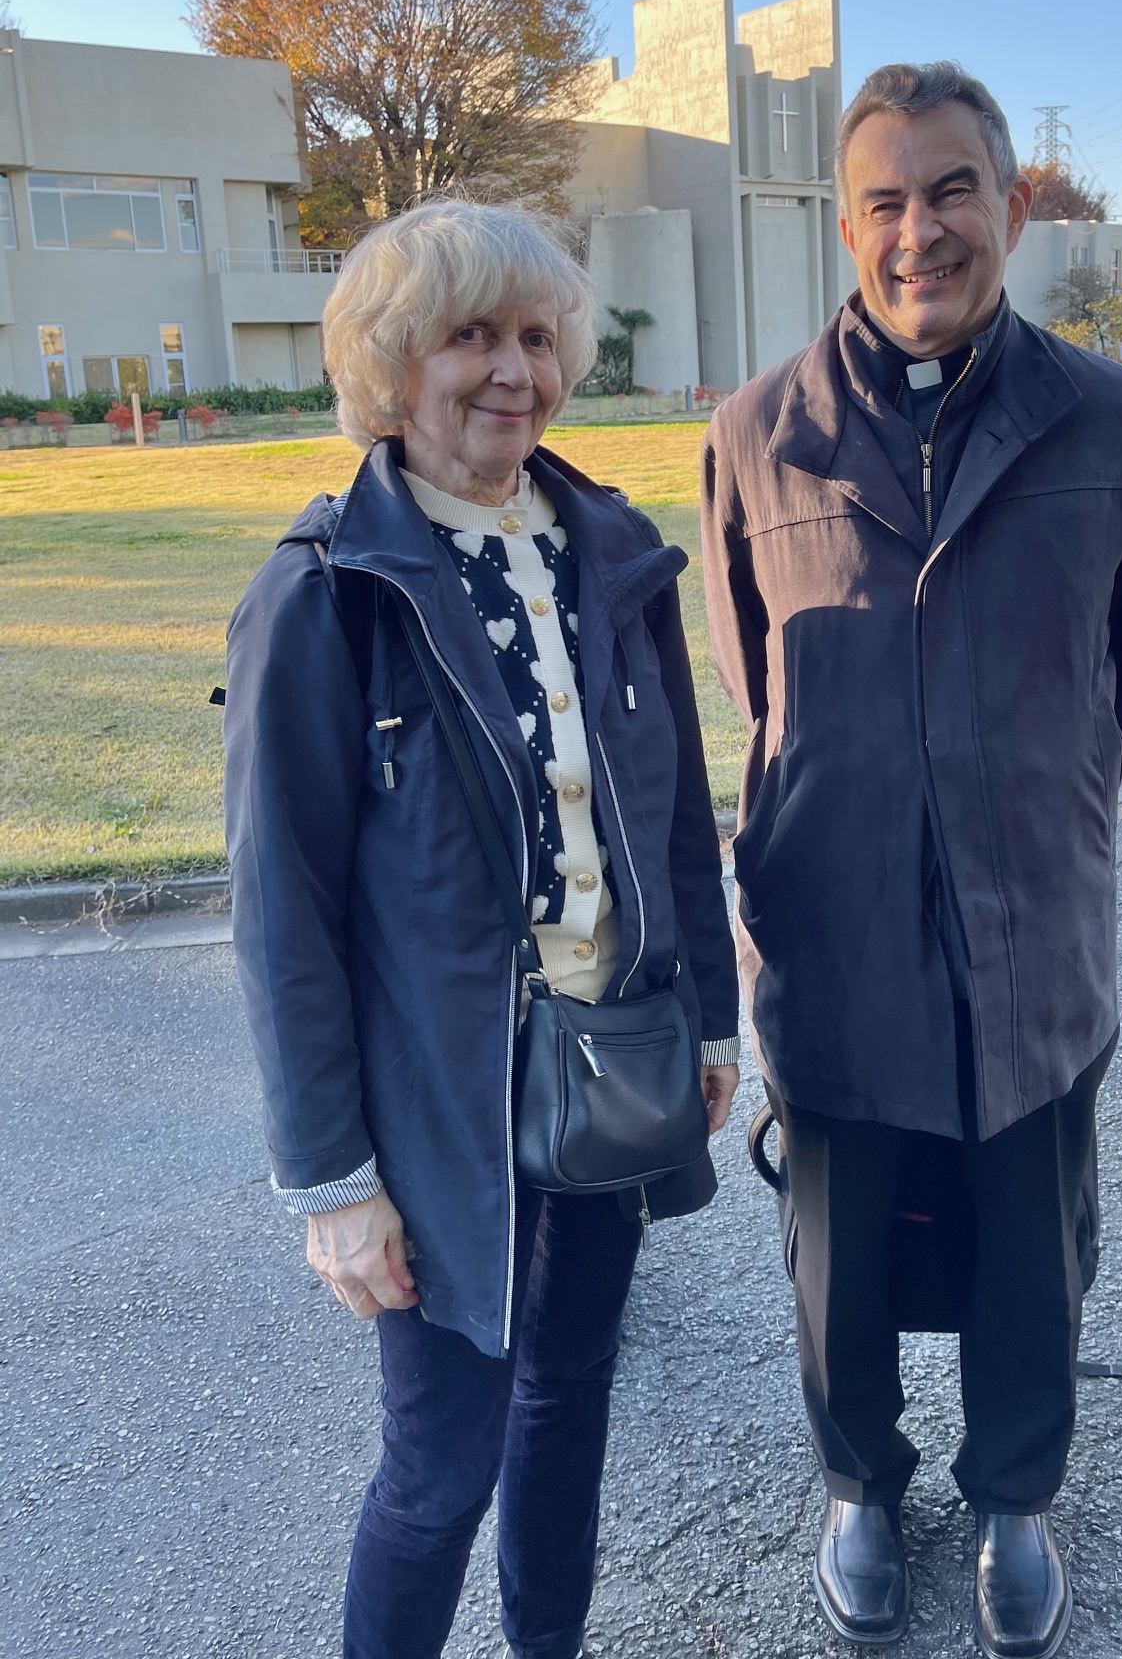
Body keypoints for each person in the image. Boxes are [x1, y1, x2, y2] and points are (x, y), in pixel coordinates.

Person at [701, 64, 1122, 1657]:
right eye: (887, 201)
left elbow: (1118, 668)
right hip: (832, 912)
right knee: (839, 1240)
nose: (923, 231)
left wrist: (1034, 796)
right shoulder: (756, 435)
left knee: (1029, 1231)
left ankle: (1017, 1494)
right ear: (848, 228)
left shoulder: (1115, 420)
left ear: (1014, 205)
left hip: (1034, 899)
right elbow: (755, 680)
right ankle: (859, 1483)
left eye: (955, 189)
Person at [223, 199, 740, 1659]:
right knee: (441, 1464)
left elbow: (674, 814)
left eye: (535, 336)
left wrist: (707, 1018)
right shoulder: (323, 594)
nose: (514, 371)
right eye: (468, 336)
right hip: (437, 1110)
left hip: (611, 1060)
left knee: (570, 1402)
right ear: (392, 366)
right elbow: (284, 917)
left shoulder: (612, 551)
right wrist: (334, 1180)